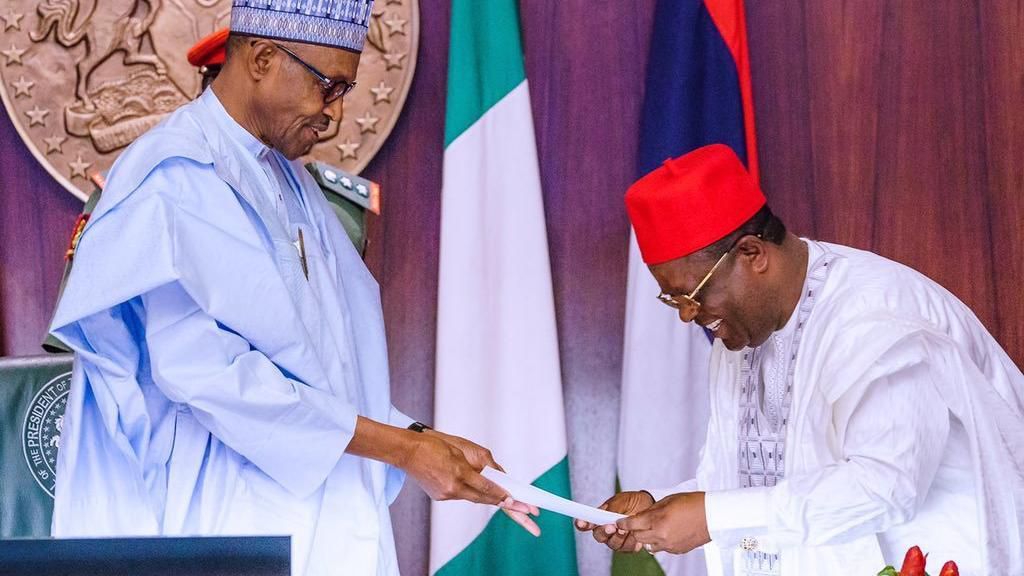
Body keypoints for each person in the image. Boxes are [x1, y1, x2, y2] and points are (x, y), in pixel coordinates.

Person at [47, 1, 539, 574]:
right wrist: (404, 449)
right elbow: (209, 376)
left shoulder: (292, 182)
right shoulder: (174, 175)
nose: (333, 113)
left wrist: (423, 439)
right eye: (328, 86)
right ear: (261, 58)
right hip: (229, 523)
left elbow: (323, 371)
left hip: (323, 516)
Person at [577, 144, 1024, 575]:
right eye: (673, 299)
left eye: (692, 294)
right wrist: (657, 509)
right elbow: (750, 489)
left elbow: (887, 487)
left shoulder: (873, 318)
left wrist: (712, 514)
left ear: (752, 255)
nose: (689, 314)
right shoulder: (746, 328)